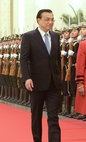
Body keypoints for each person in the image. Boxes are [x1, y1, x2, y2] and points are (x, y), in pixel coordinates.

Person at [21, 9, 61, 142]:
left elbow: (57, 59)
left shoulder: (56, 36)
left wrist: (59, 77)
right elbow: (24, 59)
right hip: (36, 83)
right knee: (36, 116)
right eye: (47, 19)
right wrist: (27, 78)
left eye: (52, 19)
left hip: (53, 84)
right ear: (38, 20)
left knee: (53, 117)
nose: (50, 22)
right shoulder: (29, 36)